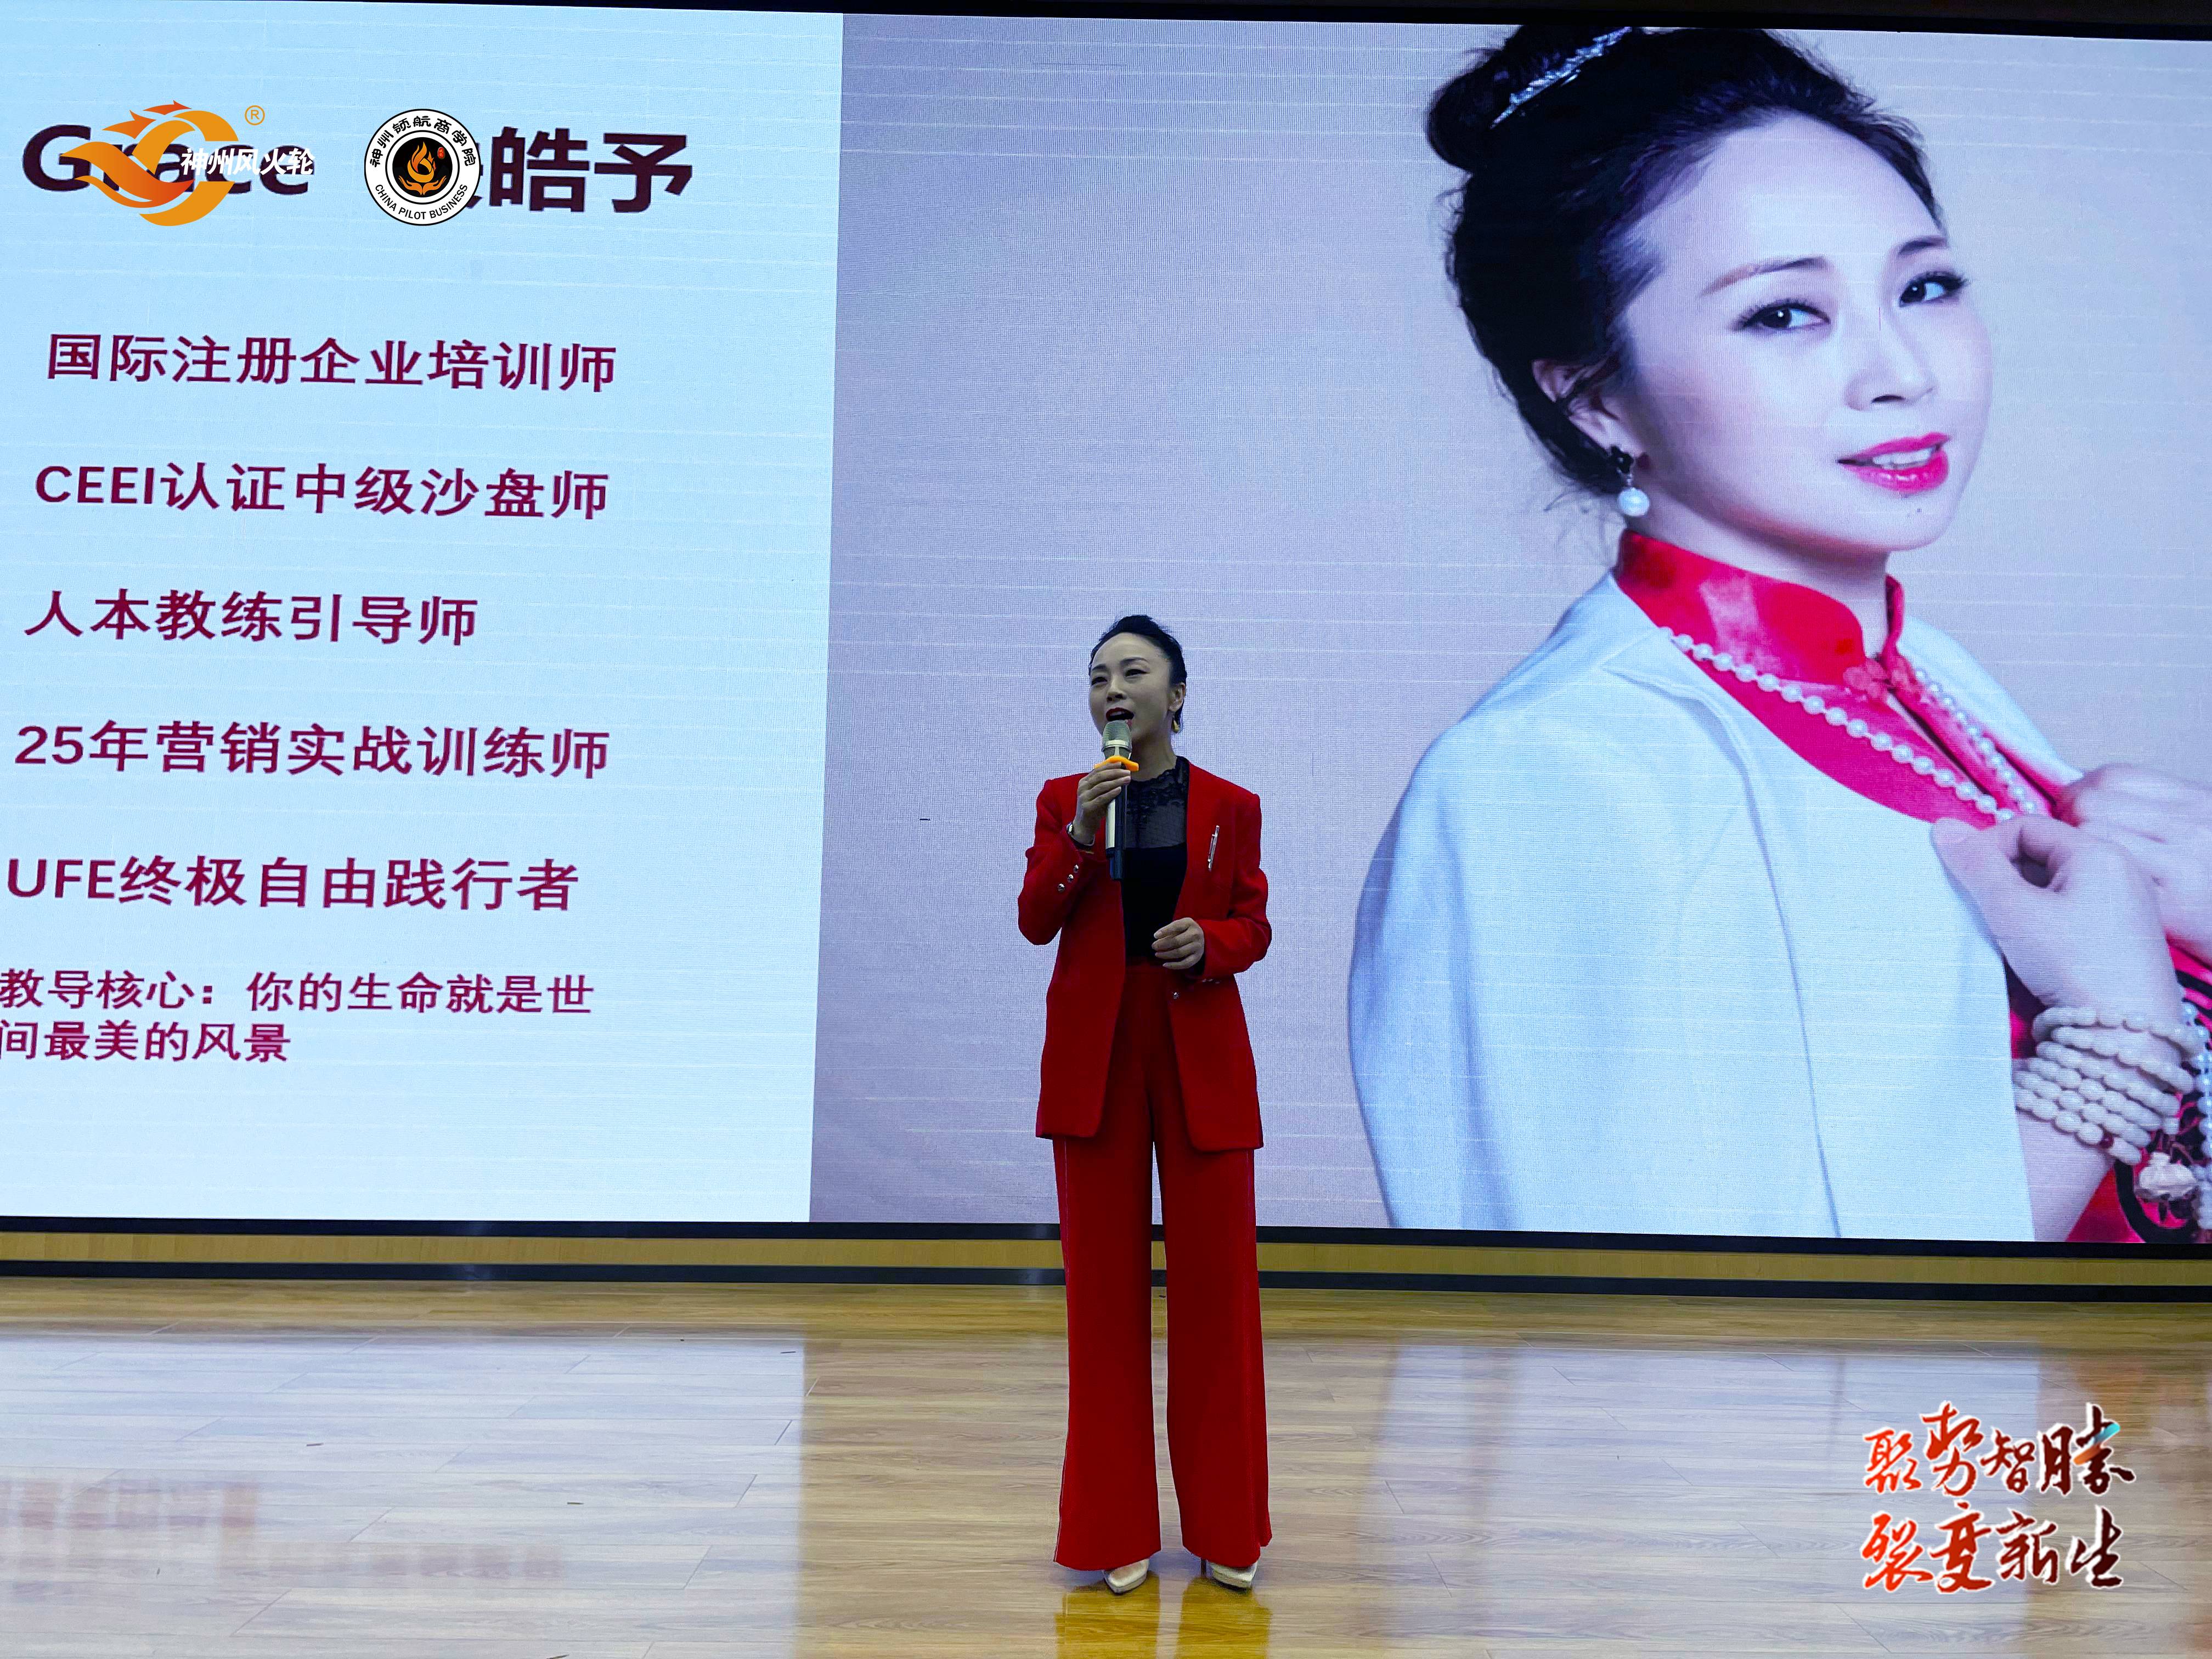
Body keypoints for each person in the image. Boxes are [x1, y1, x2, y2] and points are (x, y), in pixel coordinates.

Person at [1348, 25, 2212, 1245]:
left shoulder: (1930, 683)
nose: (1900, 370)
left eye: (1924, 287)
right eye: (1785, 314)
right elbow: (1667, 1332)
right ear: (1594, 394)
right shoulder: (1551, 780)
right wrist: (2116, 1039)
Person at [1019, 614, 1273, 1593]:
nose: (1112, 691)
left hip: (1199, 1052)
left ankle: (1226, 1527)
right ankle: (1113, 1525)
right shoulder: (1064, 801)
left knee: (1218, 1301)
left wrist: (1211, 944)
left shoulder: (1231, 806)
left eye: (1132, 672)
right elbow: (1037, 919)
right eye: (1097, 678)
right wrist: (1082, 834)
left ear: (1177, 694)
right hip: (1098, 1061)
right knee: (1103, 1304)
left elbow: (1252, 922)